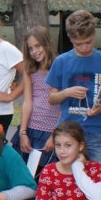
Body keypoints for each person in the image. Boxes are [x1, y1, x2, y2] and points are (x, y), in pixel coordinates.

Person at [45, 10, 101, 168]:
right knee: (68, 177)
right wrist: (67, 92)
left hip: (95, 131)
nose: (84, 47)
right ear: (70, 38)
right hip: (68, 131)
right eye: (78, 44)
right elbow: (51, 99)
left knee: (97, 176)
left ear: (94, 34)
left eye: (88, 42)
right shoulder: (62, 61)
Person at [18, 26, 60, 173]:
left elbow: (64, 106)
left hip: (51, 130)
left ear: (47, 43)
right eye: (30, 48)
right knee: (25, 174)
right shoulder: (30, 69)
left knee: (46, 175)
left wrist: (55, 134)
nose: (34, 51)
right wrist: (23, 133)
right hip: (31, 129)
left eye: (38, 46)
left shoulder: (59, 66)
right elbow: (27, 101)